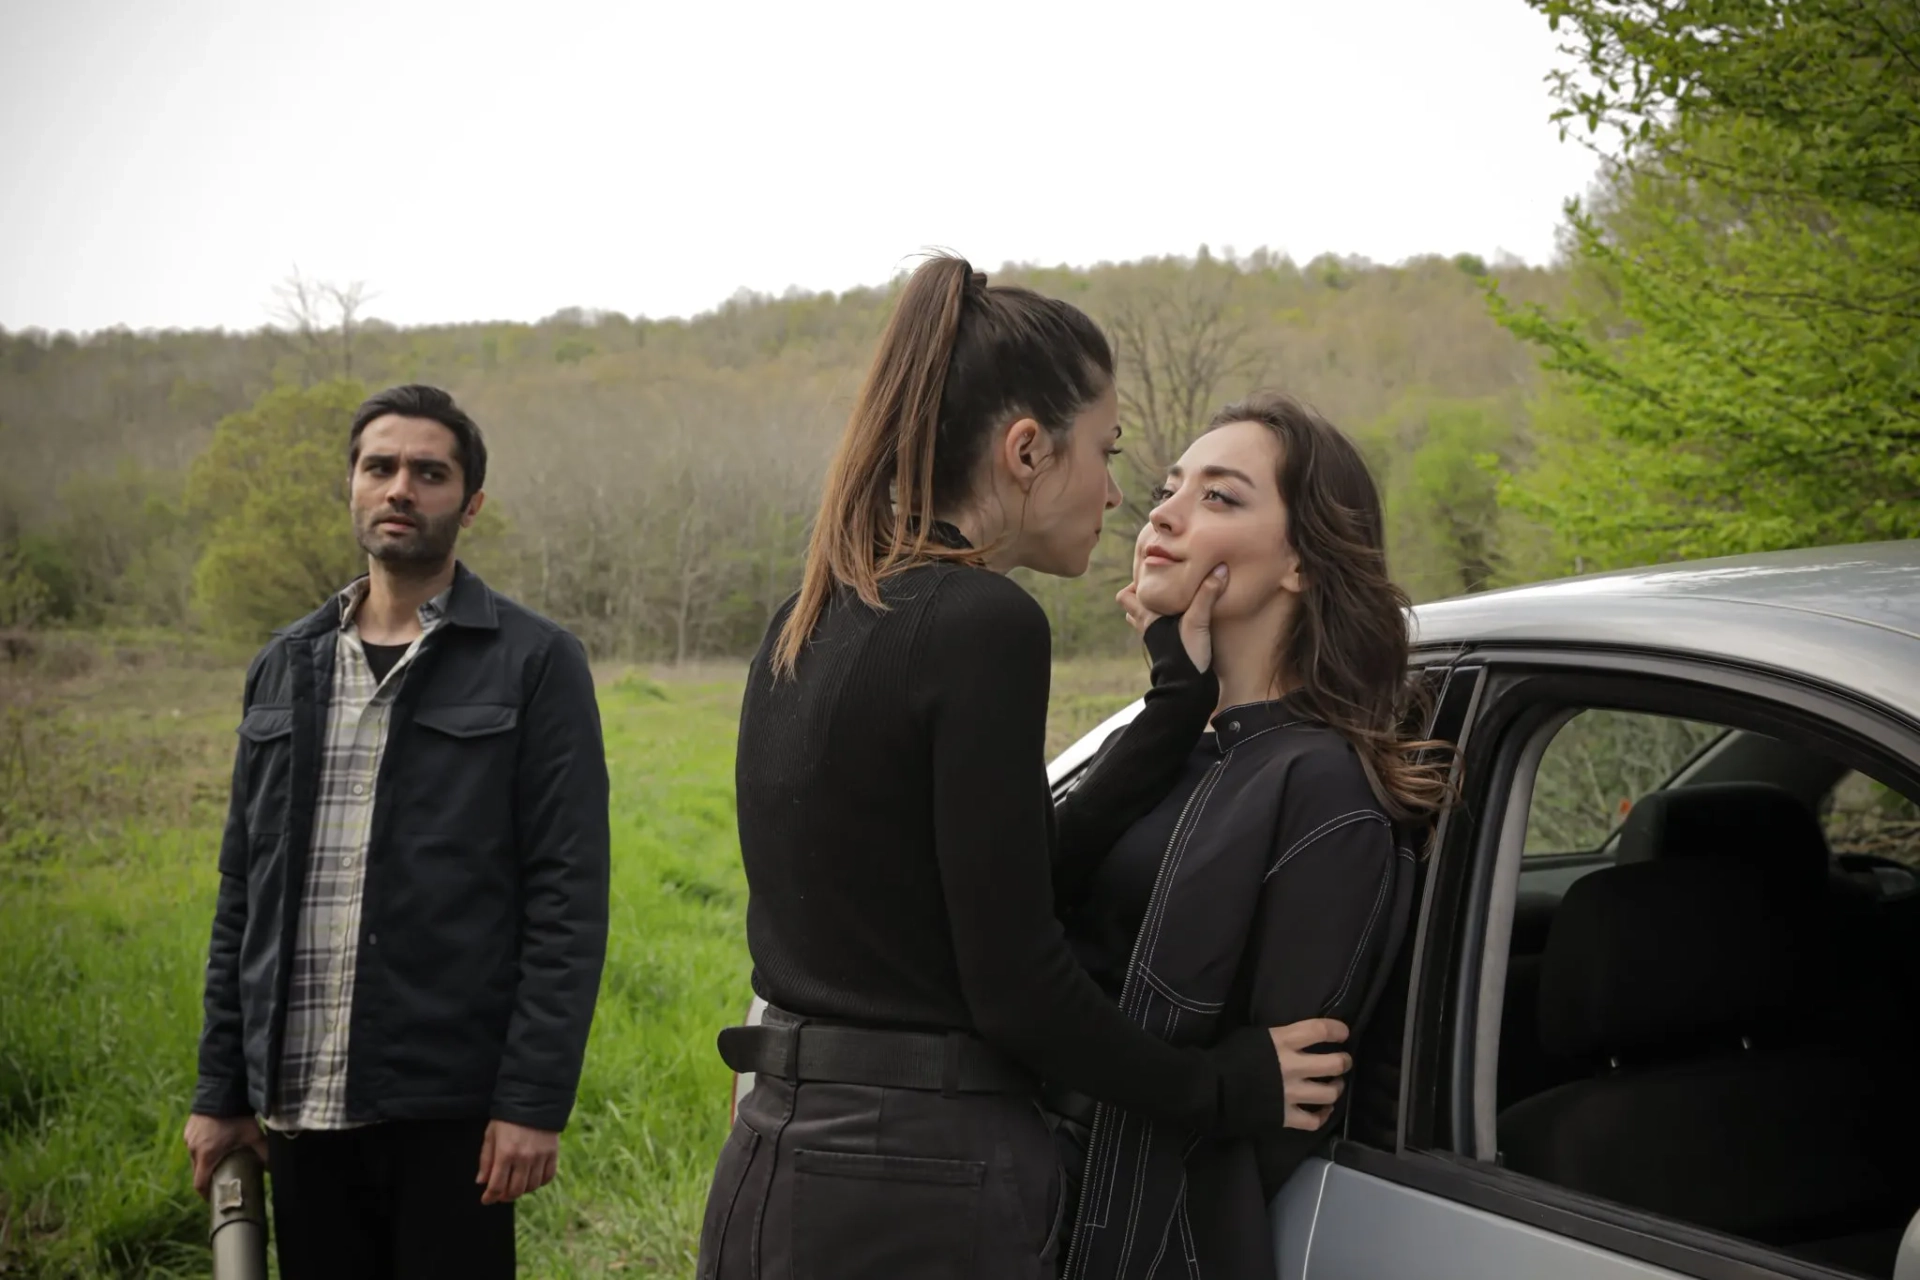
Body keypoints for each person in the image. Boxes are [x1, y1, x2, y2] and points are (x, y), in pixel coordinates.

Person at [698, 258, 1352, 1280]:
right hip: (919, 1183)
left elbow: (1010, 871)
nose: (1119, 492)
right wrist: (1222, 1087)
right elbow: (1017, 985)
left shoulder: (811, 614)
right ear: (1025, 449)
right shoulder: (984, 621)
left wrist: (1174, 705)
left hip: (778, 1157)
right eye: (1110, 451)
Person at [181, 384, 611, 1279]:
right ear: (351, 486)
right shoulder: (283, 665)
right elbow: (242, 895)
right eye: (380, 468)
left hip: (449, 1113)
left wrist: (533, 1101)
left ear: (471, 502)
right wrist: (221, 1091)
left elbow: (568, 896)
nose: (399, 489)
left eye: (429, 472)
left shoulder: (535, 663)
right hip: (299, 1101)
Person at [1053, 390, 1455, 1279]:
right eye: (1168, 487)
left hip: (1122, 1233)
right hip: (1021, 1196)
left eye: (1220, 497)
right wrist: (1172, 690)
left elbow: (1283, 1101)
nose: (1163, 511)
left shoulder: (1319, 786)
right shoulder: (1153, 743)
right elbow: (1010, 908)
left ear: (1303, 563)